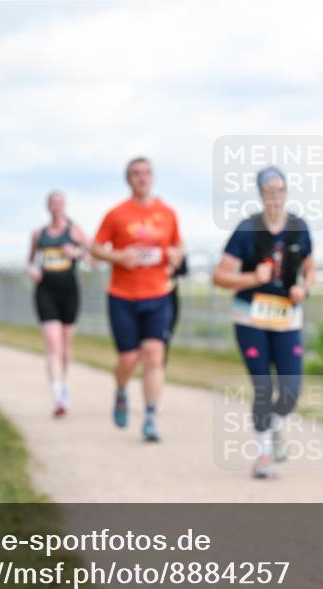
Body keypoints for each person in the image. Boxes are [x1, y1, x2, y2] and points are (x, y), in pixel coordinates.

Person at [213, 166, 315, 479]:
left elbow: (311, 269)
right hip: (250, 318)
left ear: (287, 192)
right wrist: (250, 277)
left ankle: (273, 427)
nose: (276, 197)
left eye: (280, 190)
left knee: (290, 390)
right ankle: (263, 455)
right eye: (270, 191)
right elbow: (219, 276)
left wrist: (303, 288)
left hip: (286, 318)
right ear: (260, 194)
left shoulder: (298, 226)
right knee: (262, 387)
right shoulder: (247, 229)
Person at [91, 157, 185, 442]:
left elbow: (177, 246)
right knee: (129, 359)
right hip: (123, 296)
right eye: (136, 173)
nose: (142, 178)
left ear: (152, 177)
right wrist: (118, 256)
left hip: (158, 294)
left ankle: (151, 417)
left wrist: (175, 256)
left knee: (154, 355)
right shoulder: (116, 214)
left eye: (146, 173)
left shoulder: (167, 213)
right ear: (128, 179)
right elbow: (95, 248)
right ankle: (120, 390)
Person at [28, 192, 90, 417]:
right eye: (53, 203)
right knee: (53, 344)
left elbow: (92, 255)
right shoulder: (39, 234)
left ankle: (63, 383)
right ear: (47, 207)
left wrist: (77, 252)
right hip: (46, 291)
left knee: (65, 346)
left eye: (60, 203)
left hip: (69, 291)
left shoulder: (74, 230)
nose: (56, 207)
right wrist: (32, 269)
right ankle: (57, 396)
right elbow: (31, 261)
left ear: (65, 206)